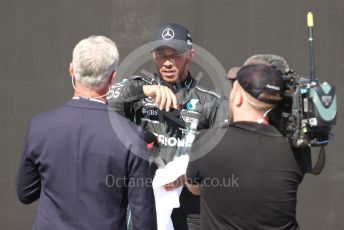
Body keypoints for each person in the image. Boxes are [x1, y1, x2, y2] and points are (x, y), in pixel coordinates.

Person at [16, 35, 157, 230]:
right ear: (112, 77)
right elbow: (143, 218)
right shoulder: (131, 136)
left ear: (72, 70)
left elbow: (26, 193)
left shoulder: (40, 126)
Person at [107, 22, 228, 229]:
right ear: (153, 55)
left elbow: (224, 156)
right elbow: (108, 99)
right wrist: (148, 90)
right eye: (161, 54)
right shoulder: (140, 89)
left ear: (190, 54)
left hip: (190, 206)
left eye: (176, 54)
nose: (168, 62)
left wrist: (188, 177)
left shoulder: (213, 101)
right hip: (143, 200)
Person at [186, 64, 305, 229]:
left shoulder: (207, 142)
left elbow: (194, 187)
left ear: (239, 98)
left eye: (234, 88)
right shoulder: (295, 149)